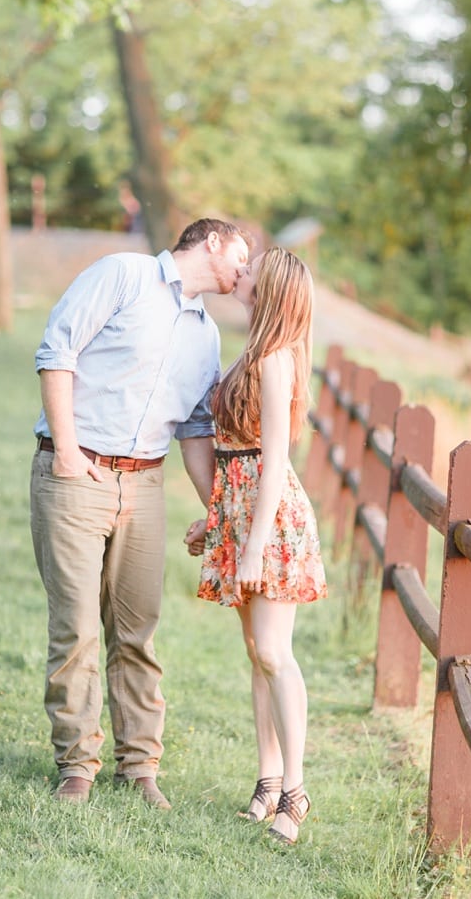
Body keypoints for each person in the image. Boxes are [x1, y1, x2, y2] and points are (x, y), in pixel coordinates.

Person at [30, 217, 252, 807]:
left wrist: (218, 510)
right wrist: (70, 455)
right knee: (76, 628)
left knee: (137, 630)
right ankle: (77, 766)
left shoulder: (206, 335)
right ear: (211, 241)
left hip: (145, 484)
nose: (244, 271)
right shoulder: (123, 274)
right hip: (77, 473)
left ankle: (139, 767)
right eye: (241, 256)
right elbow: (58, 350)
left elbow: (197, 429)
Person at [184, 246, 325, 846]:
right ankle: (268, 781)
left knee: (273, 651)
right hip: (239, 508)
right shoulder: (252, 353)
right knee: (255, 652)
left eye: (251, 273)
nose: (241, 275)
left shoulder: (274, 361)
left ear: (270, 292)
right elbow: (234, 454)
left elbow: (272, 464)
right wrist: (215, 519)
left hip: (268, 515)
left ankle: (296, 789)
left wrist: (251, 548)